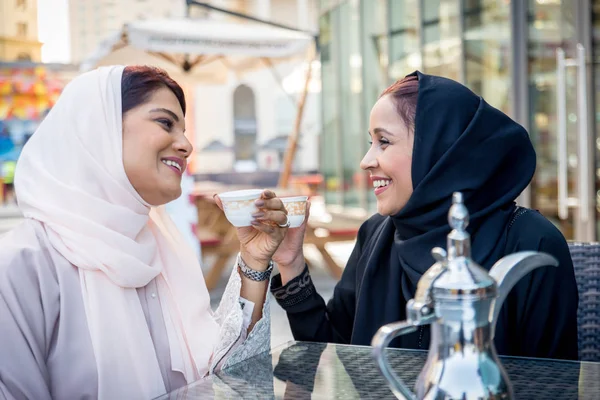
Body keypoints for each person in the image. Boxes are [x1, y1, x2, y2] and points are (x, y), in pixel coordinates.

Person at [0, 65, 291, 399]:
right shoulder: (22, 266)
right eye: (165, 123)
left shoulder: (161, 251)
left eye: (184, 129)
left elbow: (223, 380)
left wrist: (254, 261)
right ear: (101, 129)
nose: (186, 145)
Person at [269, 71, 579, 360]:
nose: (366, 161)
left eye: (384, 142)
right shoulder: (376, 234)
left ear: (440, 150)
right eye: (370, 142)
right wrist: (291, 264)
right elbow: (332, 354)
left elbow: (552, 382)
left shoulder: (531, 243)